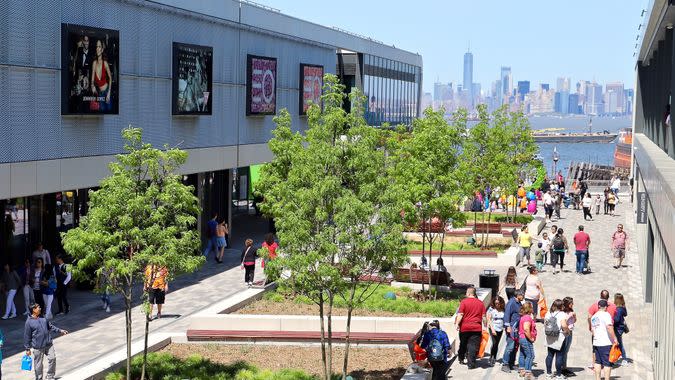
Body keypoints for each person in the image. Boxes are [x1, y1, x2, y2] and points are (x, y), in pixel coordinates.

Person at [23, 303, 69, 380]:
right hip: (38, 346)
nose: (40, 308)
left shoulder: (42, 317)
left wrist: (60, 330)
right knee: (38, 364)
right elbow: (27, 336)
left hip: (48, 343)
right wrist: (27, 348)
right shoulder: (29, 322)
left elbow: (50, 326)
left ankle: (50, 376)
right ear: (34, 310)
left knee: (52, 358)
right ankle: (39, 378)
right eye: (38, 307)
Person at [455, 286, 486, 369]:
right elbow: (484, 316)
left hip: (464, 328)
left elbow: (460, 314)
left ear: (468, 293)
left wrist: (457, 324)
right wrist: (485, 325)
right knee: (473, 346)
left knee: (463, 344)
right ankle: (471, 364)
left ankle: (461, 358)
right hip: (476, 328)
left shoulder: (464, 302)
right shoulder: (480, 303)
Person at [591, 300, 617, 380]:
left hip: (596, 342)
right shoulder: (606, 315)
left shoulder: (594, 316)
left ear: (598, 306)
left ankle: (597, 378)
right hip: (605, 342)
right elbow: (609, 327)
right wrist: (615, 339)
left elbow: (593, 330)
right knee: (607, 363)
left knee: (597, 362)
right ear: (606, 307)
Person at [544, 299, 570, 379]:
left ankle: (548, 373)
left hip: (549, 336)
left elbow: (545, 323)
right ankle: (558, 375)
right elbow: (564, 325)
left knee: (550, 355)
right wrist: (568, 332)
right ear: (561, 306)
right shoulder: (562, 314)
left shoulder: (548, 313)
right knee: (559, 356)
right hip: (559, 337)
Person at [501, 290, 524, 373]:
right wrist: (507, 326)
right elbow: (507, 314)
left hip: (517, 329)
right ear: (518, 295)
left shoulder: (518, 303)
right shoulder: (511, 303)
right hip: (511, 328)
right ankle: (505, 364)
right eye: (522, 295)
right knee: (510, 347)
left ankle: (511, 363)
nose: (523, 296)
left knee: (515, 347)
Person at [90, 39, 113, 111]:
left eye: (99, 47)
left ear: (102, 50)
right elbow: (92, 79)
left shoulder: (105, 63)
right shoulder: (94, 63)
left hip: (107, 91)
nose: (97, 48)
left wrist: (109, 92)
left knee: (109, 110)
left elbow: (110, 78)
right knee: (102, 111)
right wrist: (92, 86)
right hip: (100, 94)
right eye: (96, 47)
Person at [518, 301, 537, 379]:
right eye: (532, 307)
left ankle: (522, 370)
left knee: (523, 354)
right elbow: (526, 329)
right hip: (526, 339)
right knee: (530, 355)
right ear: (529, 308)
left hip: (521, 338)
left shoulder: (523, 316)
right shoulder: (527, 318)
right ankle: (528, 374)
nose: (533, 308)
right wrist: (531, 338)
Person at [560, 297, 577, 377]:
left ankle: (564, 367)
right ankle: (562, 368)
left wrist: (574, 317)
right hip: (565, 332)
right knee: (563, 350)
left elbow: (574, 321)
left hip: (570, 331)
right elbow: (563, 322)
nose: (572, 304)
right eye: (571, 303)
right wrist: (569, 316)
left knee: (566, 350)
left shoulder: (571, 311)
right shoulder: (562, 313)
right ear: (567, 304)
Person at [487, 296, 505, 366]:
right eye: (496, 303)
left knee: (497, 343)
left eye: (498, 303)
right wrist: (492, 329)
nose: (497, 305)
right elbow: (489, 320)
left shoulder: (503, 309)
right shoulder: (491, 309)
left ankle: (494, 356)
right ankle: (491, 357)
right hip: (493, 328)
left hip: (500, 328)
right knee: (494, 343)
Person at [613, 293, 629, 365]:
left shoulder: (618, 309)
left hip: (618, 328)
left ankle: (624, 359)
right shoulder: (623, 307)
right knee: (618, 343)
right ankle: (620, 357)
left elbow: (616, 320)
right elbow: (625, 314)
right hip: (621, 327)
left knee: (620, 344)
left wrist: (612, 318)